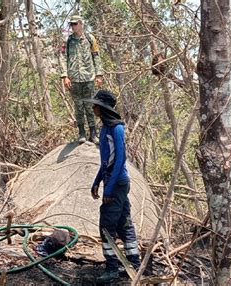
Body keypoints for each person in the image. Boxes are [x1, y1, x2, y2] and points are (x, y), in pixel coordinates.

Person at [83, 90, 140, 282]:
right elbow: (105, 161)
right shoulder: (104, 129)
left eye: (95, 105)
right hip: (110, 181)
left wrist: (109, 188)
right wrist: (97, 182)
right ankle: (134, 263)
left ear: (103, 108)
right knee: (124, 222)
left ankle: (112, 268)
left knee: (106, 225)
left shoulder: (117, 128)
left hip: (118, 183)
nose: (93, 108)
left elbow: (120, 159)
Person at [60, 15, 104, 144]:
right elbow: (63, 58)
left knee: (90, 106)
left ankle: (93, 133)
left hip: (88, 77)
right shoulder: (68, 41)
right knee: (78, 107)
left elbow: (96, 56)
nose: (73, 26)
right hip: (74, 79)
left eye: (75, 24)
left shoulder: (90, 39)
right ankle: (81, 133)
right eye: (71, 24)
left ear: (81, 24)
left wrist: (99, 74)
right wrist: (65, 76)